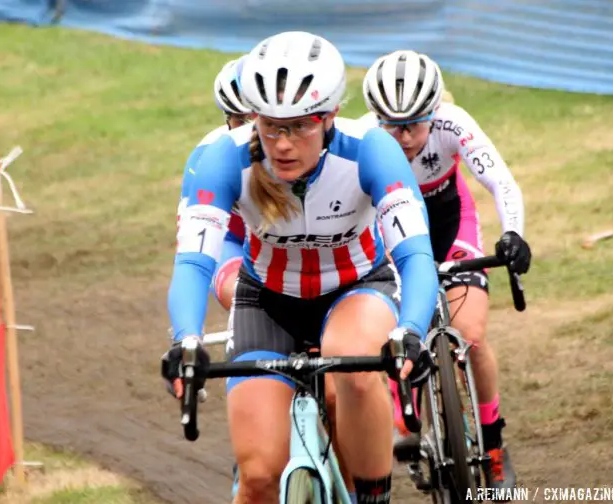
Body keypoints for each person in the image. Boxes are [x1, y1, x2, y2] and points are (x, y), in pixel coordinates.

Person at [162, 31, 439, 504]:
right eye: (271, 126)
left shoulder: (371, 149)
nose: (283, 144)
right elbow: (192, 262)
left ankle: (374, 496)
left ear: (329, 116)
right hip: (265, 301)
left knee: (352, 368)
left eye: (300, 127)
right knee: (258, 480)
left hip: (355, 288)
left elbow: (414, 255)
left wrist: (411, 328)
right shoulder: (223, 159)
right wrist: (184, 339)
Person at [361, 49, 532, 496]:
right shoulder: (361, 137)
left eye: (414, 124)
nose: (402, 137)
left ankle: (493, 444)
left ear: (434, 111)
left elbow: (502, 183)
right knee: (381, 331)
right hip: (391, 234)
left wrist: (514, 234)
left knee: (470, 334)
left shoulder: (454, 122)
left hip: (450, 224)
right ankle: (405, 416)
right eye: (391, 126)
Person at [176, 57, 253, 311]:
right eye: (241, 121)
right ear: (227, 120)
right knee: (242, 297)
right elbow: (192, 251)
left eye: (261, 119)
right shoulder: (208, 157)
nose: (253, 134)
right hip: (233, 240)